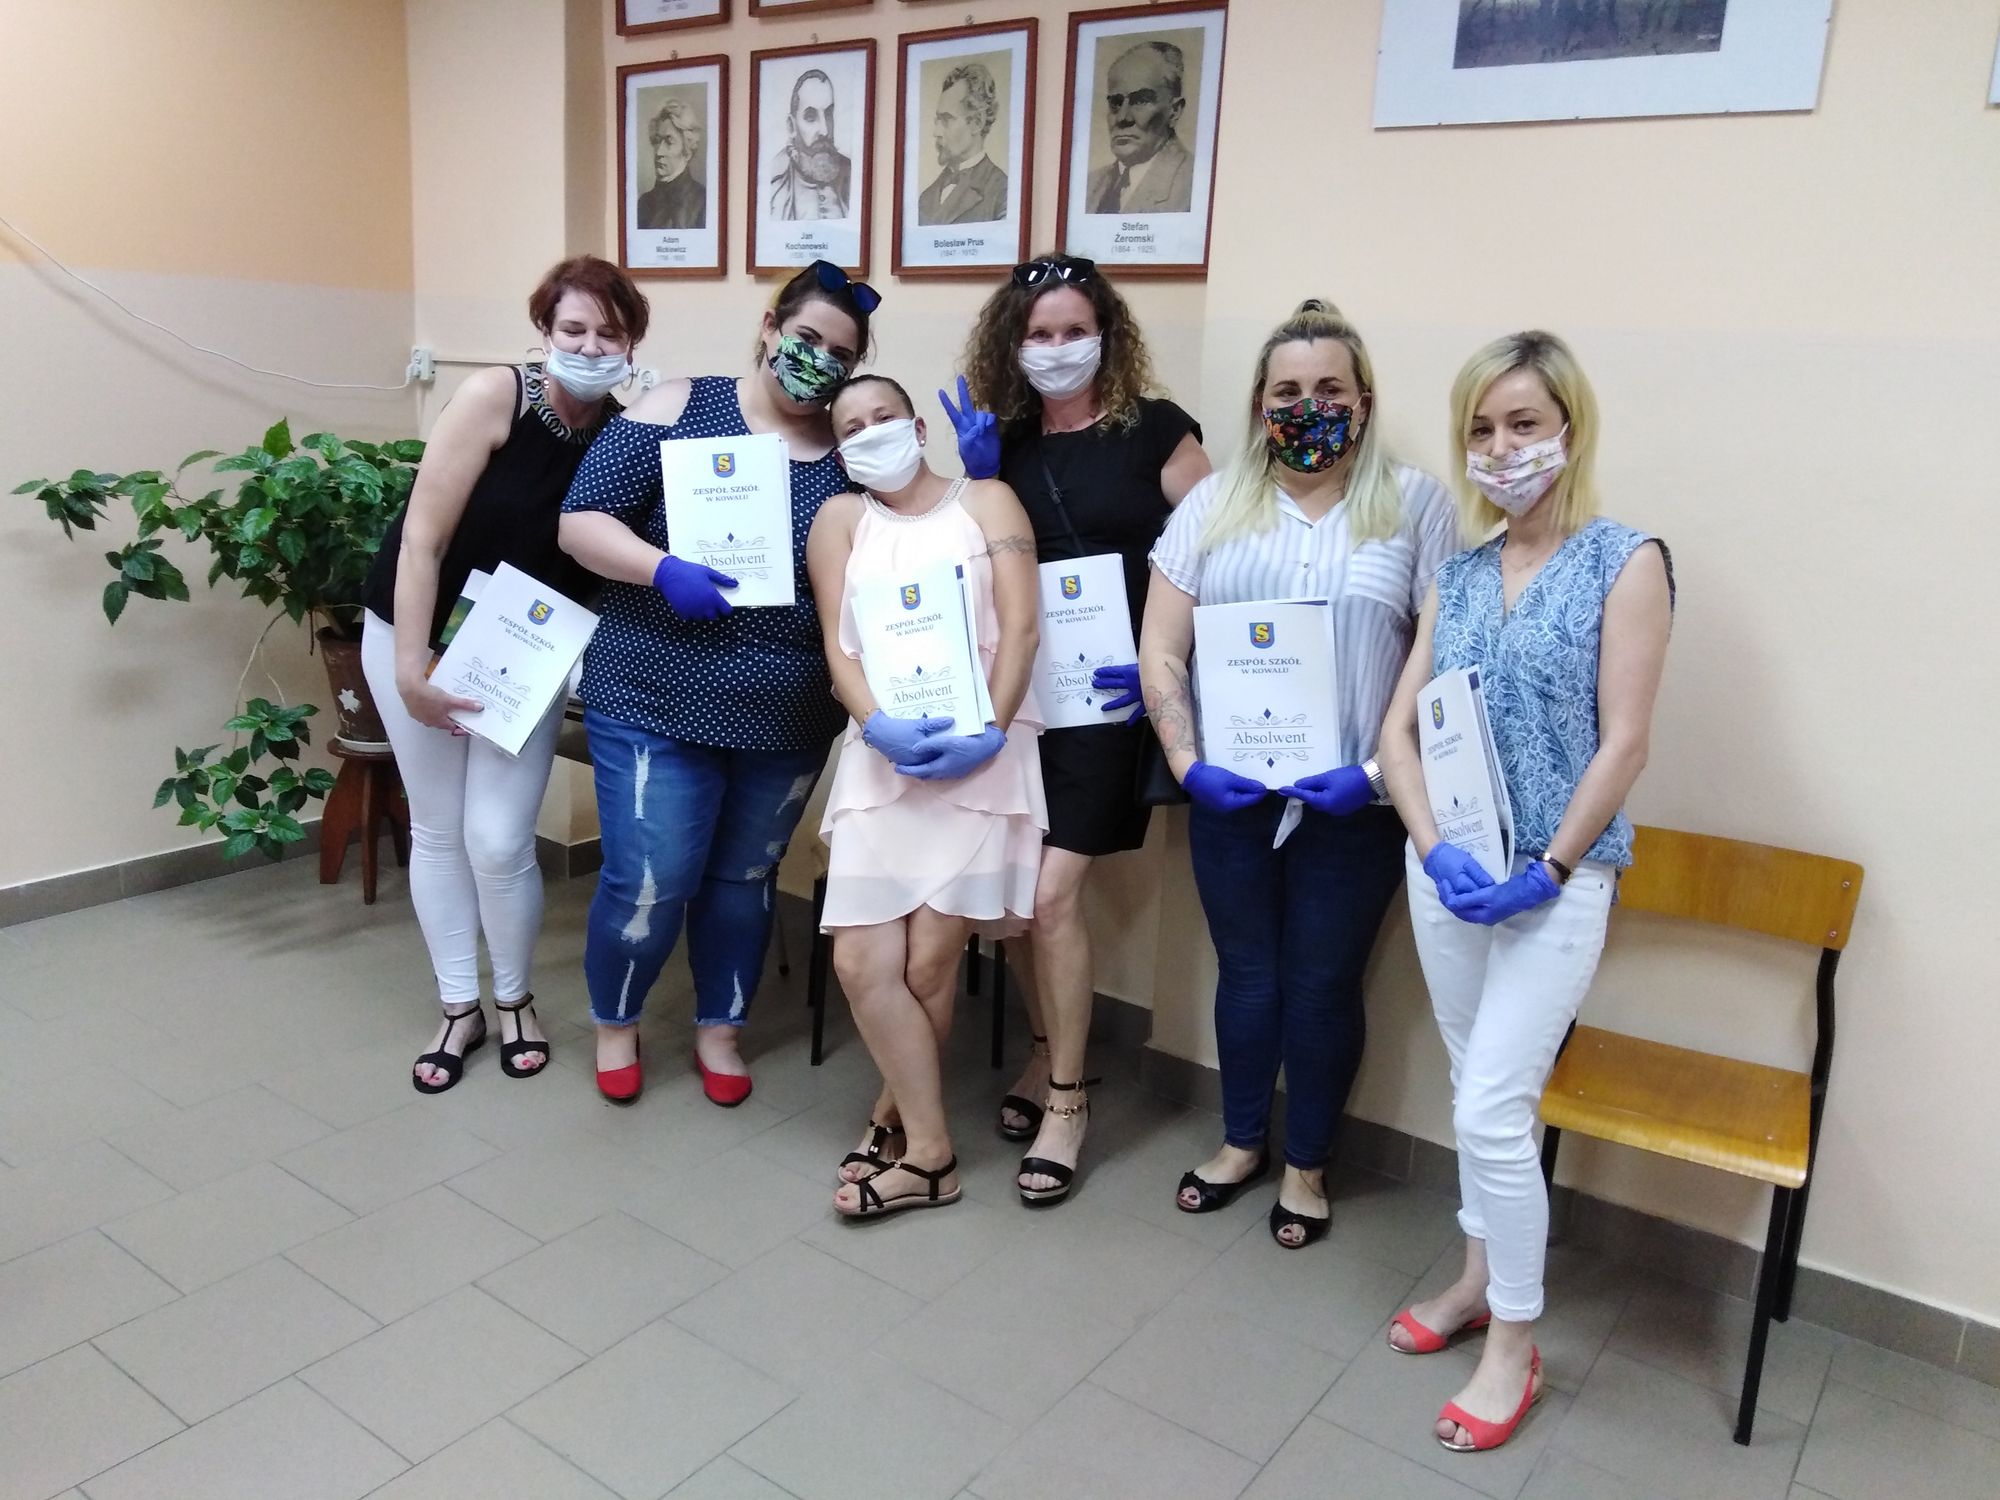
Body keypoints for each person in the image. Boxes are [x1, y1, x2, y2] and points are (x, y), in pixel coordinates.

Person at [1376, 331, 1673, 1452]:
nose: (1501, 448)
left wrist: (1544, 868)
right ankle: (1472, 1279)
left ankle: (1513, 1341)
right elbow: (1397, 734)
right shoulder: (1455, 575)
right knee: (1472, 1087)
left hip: (1557, 881)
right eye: (1481, 429)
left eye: (1523, 424)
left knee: (1491, 1109)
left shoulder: (1624, 562)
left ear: (1568, 430)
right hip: (1449, 876)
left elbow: (1624, 742)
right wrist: (1430, 847)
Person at [1138, 300, 1458, 1246]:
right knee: (1246, 976)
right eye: (1287, 390)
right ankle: (1241, 1143)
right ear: (1259, 404)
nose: (1307, 405)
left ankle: (1308, 1165)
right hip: (1231, 798)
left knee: (1322, 985)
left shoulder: (1417, 506)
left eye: (1329, 388)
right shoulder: (1211, 505)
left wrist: (1378, 774)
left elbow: (1439, 659)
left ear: (1363, 403)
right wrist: (1187, 763)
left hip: (1358, 803)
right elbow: (1162, 649)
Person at [557, 259, 880, 1105]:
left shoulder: (853, 451)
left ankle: (720, 1028)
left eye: (840, 354)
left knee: (745, 877)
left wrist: (968, 482)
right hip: (654, 690)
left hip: (787, 713)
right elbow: (581, 522)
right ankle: (617, 1022)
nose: (818, 362)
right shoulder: (681, 407)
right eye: (806, 338)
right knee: (651, 875)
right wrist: (661, 569)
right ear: (770, 329)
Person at [943, 252, 1211, 1205]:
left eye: (1073, 331)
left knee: (1053, 895)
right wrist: (975, 483)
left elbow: (1219, 557)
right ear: (1012, 344)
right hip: (1024, 699)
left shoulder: (1160, 432)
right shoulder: (1006, 441)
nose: (1057, 348)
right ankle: (1048, 1047)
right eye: (1038, 334)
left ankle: (1067, 1096)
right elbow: (970, 566)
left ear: (1107, 335)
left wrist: (1167, 665)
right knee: (1021, 898)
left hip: (1109, 702)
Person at [360, 255, 647, 1094]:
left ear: (632, 343)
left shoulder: (624, 437)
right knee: (439, 830)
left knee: (498, 838)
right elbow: (422, 540)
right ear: (544, 330)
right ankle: (460, 1006)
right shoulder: (497, 398)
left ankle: (515, 998)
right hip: (415, 631)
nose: (589, 347)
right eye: (573, 330)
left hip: (523, 654)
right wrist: (412, 667)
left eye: (608, 334)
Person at [807, 375, 1044, 1216]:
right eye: (851, 427)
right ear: (840, 451)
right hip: (884, 762)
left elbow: (1022, 627)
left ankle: (916, 1145)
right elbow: (839, 649)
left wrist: (991, 730)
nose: (869, 432)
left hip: (982, 760)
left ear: (916, 426)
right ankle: (914, 1136)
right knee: (860, 964)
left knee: (928, 965)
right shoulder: (840, 520)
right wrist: (876, 726)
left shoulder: (988, 501)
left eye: (883, 417)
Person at [1085, 40, 1195, 215]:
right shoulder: (1089, 185)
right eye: (1116, 103)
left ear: (1174, 111)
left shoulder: (1193, 184)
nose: (1123, 118)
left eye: (1141, 101)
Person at [917, 61, 1008, 226]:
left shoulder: (1001, 191)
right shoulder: (926, 197)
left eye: (946, 119)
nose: (936, 132)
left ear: (976, 123)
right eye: (937, 120)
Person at [768, 68, 851, 221]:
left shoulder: (852, 174)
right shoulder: (774, 182)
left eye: (828, 114)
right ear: (791, 126)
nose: (824, 130)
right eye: (811, 118)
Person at [637, 98, 704, 230]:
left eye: (669, 141)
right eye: (657, 141)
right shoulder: (644, 203)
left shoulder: (703, 201)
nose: (659, 152)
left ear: (687, 151)